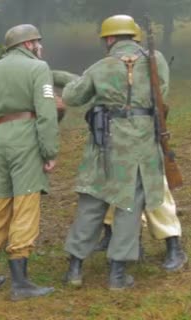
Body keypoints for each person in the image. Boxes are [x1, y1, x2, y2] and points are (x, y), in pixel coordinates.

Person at [62, 14, 171, 290]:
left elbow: (74, 97)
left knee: (91, 202)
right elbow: (162, 96)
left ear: (109, 39)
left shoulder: (101, 66)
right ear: (134, 37)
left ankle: (74, 269)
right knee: (129, 207)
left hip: (105, 144)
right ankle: (118, 275)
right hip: (141, 147)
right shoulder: (155, 61)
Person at [93, 23, 188, 272]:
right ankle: (119, 237)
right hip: (118, 134)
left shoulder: (153, 60)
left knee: (155, 189)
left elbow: (160, 94)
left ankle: (173, 245)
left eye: (107, 38)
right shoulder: (110, 63)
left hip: (145, 133)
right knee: (116, 185)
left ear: (111, 37)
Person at [0, 24, 59, 300]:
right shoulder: (38, 68)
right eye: (37, 42)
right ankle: (20, 283)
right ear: (28, 44)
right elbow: (46, 113)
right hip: (25, 137)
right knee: (25, 204)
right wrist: (49, 152)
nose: (40, 47)